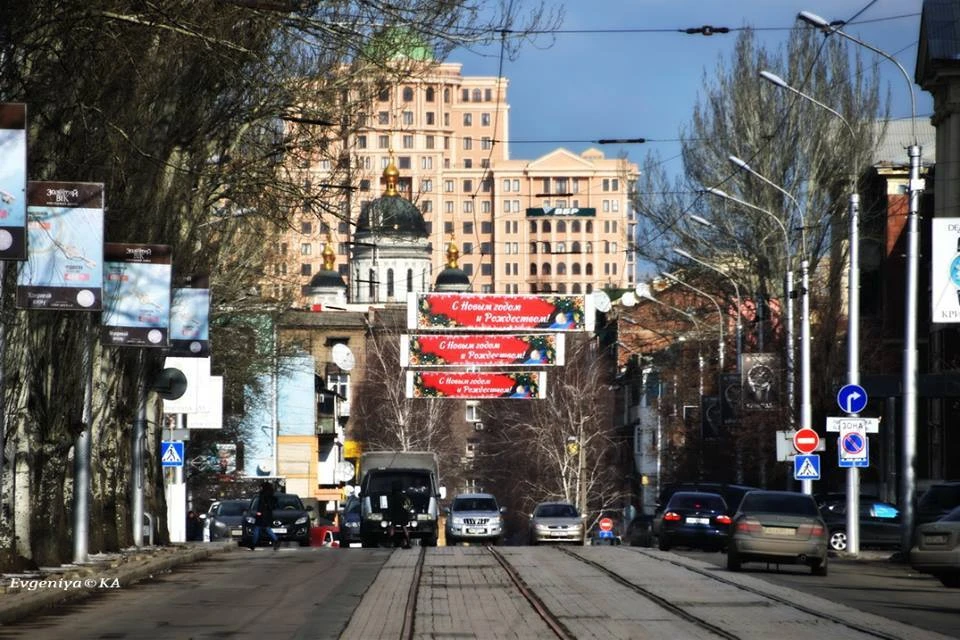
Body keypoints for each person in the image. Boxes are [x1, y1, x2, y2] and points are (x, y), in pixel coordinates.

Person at [249, 482, 280, 551]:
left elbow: (261, 504)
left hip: (262, 514)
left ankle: (253, 544)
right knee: (266, 528)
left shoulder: (263, 494)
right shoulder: (270, 494)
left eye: (261, 487)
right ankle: (276, 540)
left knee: (257, 528)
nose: (260, 488)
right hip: (268, 514)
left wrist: (259, 512)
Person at [387, 480, 412, 549]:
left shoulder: (392, 497)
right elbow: (409, 506)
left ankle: (390, 542)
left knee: (392, 527)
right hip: (403, 514)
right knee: (404, 527)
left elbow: (390, 506)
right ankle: (408, 542)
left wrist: (389, 514)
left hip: (395, 514)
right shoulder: (404, 496)